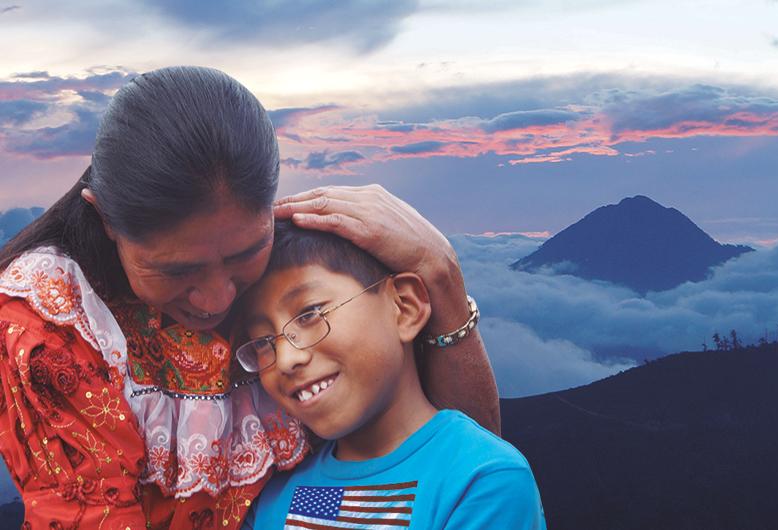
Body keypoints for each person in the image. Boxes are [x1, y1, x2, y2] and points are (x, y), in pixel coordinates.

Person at [0, 66, 499, 529]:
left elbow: (459, 478)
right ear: (106, 220)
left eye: (245, 252)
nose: (217, 299)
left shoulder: (289, 266)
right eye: (178, 270)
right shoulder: (49, 328)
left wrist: (441, 274)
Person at [236, 224, 546, 529]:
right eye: (263, 342)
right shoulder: (272, 495)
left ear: (405, 307)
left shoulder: (482, 480)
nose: (286, 359)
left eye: (309, 315)